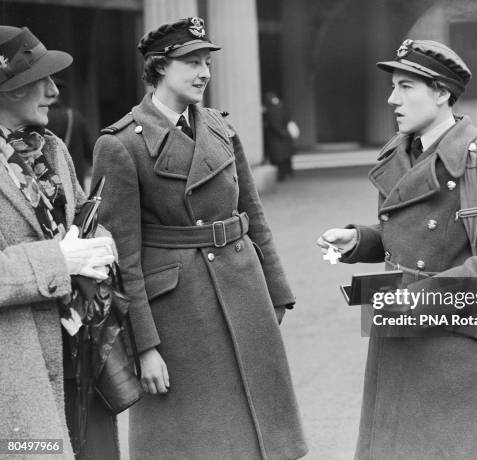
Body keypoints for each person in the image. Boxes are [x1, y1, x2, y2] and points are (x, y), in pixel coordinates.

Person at [91, 17, 307, 460]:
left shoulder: (219, 127)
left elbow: (253, 213)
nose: (204, 72)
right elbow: (121, 259)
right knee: (193, 440)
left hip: (244, 290)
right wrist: (144, 347)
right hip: (178, 313)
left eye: (206, 61)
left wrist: (277, 293)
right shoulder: (121, 144)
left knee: (257, 435)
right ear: (158, 67)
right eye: (191, 61)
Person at [317, 39, 477, 459]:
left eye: (406, 86)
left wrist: (415, 298)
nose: (392, 98)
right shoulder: (398, 151)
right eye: (393, 86)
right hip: (396, 336)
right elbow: (405, 237)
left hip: (453, 344)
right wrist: (359, 240)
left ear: (441, 93)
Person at [0, 26, 117, 459]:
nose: (53, 91)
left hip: (77, 354)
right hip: (17, 372)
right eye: (41, 81)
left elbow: (85, 216)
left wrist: (99, 247)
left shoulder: (51, 148)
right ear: (9, 90)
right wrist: (58, 259)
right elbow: (57, 254)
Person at [47, 78, 94, 188]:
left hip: (48, 178)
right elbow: (89, 148)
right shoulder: (74, 116)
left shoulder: (39, 118)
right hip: (74, 177)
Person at [263, 91, 296, 181]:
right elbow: (288, 118)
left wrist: (280, 132)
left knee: (278, 158)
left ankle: (280, 176)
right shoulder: (282, 107)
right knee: (285, 156)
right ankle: (288, 172)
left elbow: (272, 123)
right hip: (285, 136)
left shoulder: (270, 110)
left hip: (276, 137)